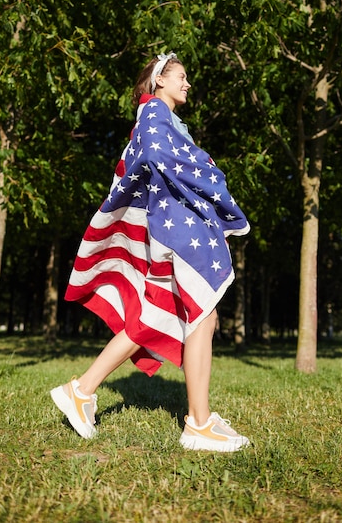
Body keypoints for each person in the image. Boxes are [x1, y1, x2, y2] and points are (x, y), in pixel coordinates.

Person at [50, 52, 250, 452]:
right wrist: (211, 176)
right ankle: (198, 424)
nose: (188, 83)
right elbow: (159, 158)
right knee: (200, 314)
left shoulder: (160, 117)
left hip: (174, 225)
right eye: (182, 76)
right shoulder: (156, 113)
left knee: (169, 314)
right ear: (160, 80)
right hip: (175, 227)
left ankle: (83, 390)